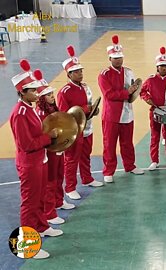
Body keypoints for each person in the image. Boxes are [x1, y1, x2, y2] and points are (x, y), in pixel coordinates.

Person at [9, 59, 63, 259]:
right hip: (29, 164)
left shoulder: (29, 108)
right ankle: (27, 246)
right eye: (32, 90)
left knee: (40, 198)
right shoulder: (20, 113)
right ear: (22, 92)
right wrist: (50, 137)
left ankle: (41, 226)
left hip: (40, 161)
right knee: (30, 203)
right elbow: (27, 144)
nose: (36, 93)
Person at [57, 45, 104, 200]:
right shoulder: (64, 92)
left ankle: (87, 178)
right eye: (76, 72)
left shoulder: (86, 87)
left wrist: (94, 110)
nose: (80, 74)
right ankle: (70, 187)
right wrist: (84, 109)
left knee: (86, 156)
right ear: (69, 74)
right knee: (71, 160)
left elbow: (90, 105)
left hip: (87, 128)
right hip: (73, 132)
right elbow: (64, 115)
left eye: (81, 71)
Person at [98, 35, 144, 183]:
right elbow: (109, 94)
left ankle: (130, 165)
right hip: (111, 116)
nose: (118, 60)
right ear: (109, 59)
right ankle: (108, 171)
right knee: (109, 144)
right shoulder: (104, 75)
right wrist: (127, 92)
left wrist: (134, 92)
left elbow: (134, 90)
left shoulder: (129, 72)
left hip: (127, 113)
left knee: (127, 143)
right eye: (115, 58)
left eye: (120, 57)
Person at [34, 69, 75, 227]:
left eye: (52, 94)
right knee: (50, 181)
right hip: (49, 151)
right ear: (42, 97)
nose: (52, 96)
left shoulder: (52, 109)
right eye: (49, 95)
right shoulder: (40, 112)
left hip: (57, 149)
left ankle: (59, 201)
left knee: (59, 176)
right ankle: (49, 213)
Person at [140, 47, 166, 169]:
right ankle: (154, 160)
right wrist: (147, 98)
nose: (164, 68)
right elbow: (142, 91)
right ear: (157, 67)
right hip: (155, 111)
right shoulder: (151, 79)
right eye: (162, 66)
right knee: (155, 135)